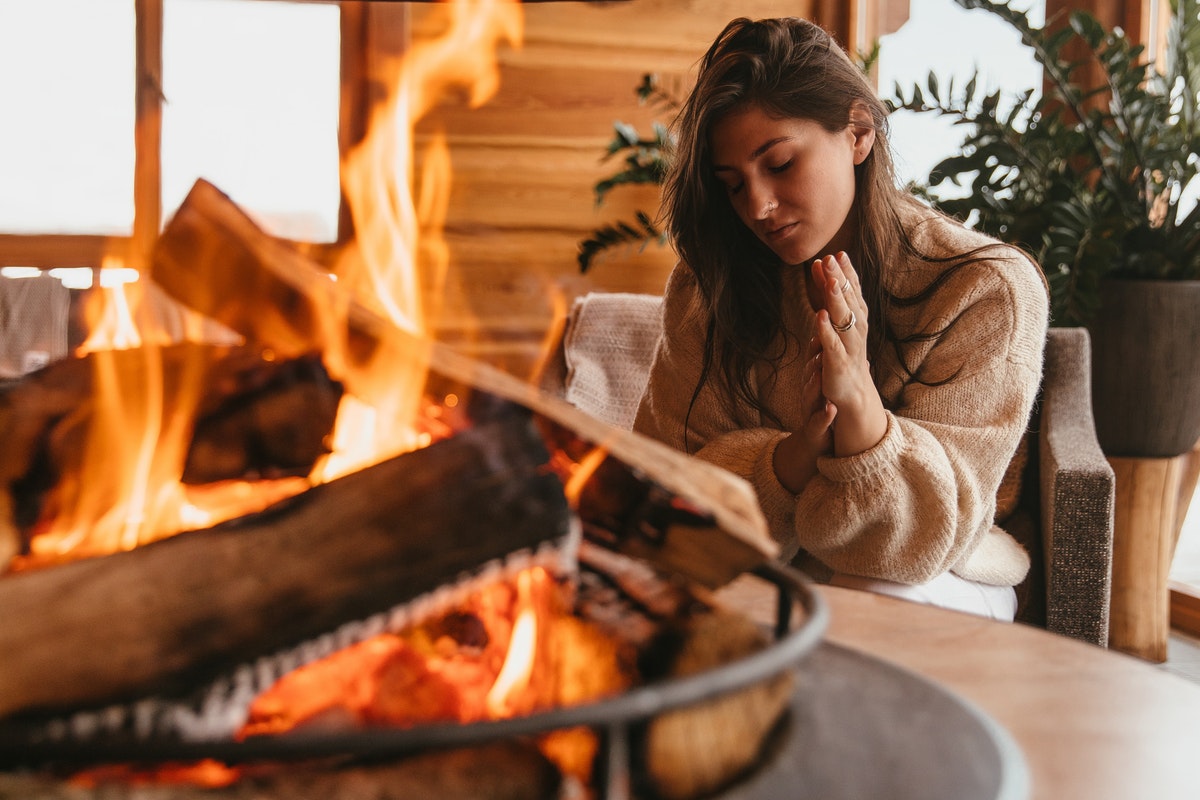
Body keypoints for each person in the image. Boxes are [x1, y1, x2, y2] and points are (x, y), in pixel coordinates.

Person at [632, 16, 1049, 621]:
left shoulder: (984, 289)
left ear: (857, 132)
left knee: (867, 607)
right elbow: (662, 499)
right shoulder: (707, 286)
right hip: (767, 567)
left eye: (778, 164)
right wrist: (792, 459)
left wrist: (860, 415)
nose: (758, 207)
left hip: (937, 574)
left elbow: (914, 547)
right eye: (732, 185)